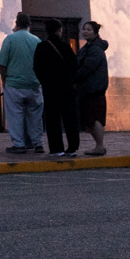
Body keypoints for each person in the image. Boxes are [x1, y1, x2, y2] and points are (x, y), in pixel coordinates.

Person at [0, 12, 44, 154]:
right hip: (34, 83)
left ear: (16, 23)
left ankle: (19, 144)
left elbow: (2, 64)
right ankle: (38, 143)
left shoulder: (10, 39)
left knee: (15, 115)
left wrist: (4, 80)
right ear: (29, 25)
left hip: (14, 84)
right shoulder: (36, 40)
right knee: (35, 115)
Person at [34, 19, 80, 157]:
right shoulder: (65, 47)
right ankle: (72, 147)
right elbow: (74, 66)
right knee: (70, 118)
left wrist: (45, 82)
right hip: (66, 88)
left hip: (50, 88)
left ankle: (56, 148)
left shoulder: (41, 47)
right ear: (59, 30)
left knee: (52, 118)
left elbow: (37, 68)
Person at [75, 18, 109, 155]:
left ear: (96, 33)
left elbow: (88, 68)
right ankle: (98, 146)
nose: (85, 32)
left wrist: (74, 77)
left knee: (95, 119)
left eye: (89, 30)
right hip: (87, 89)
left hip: (94, 89)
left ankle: (100, 146)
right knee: (89, 120)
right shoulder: (87, 48)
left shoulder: (95, 49)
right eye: (84, 29)